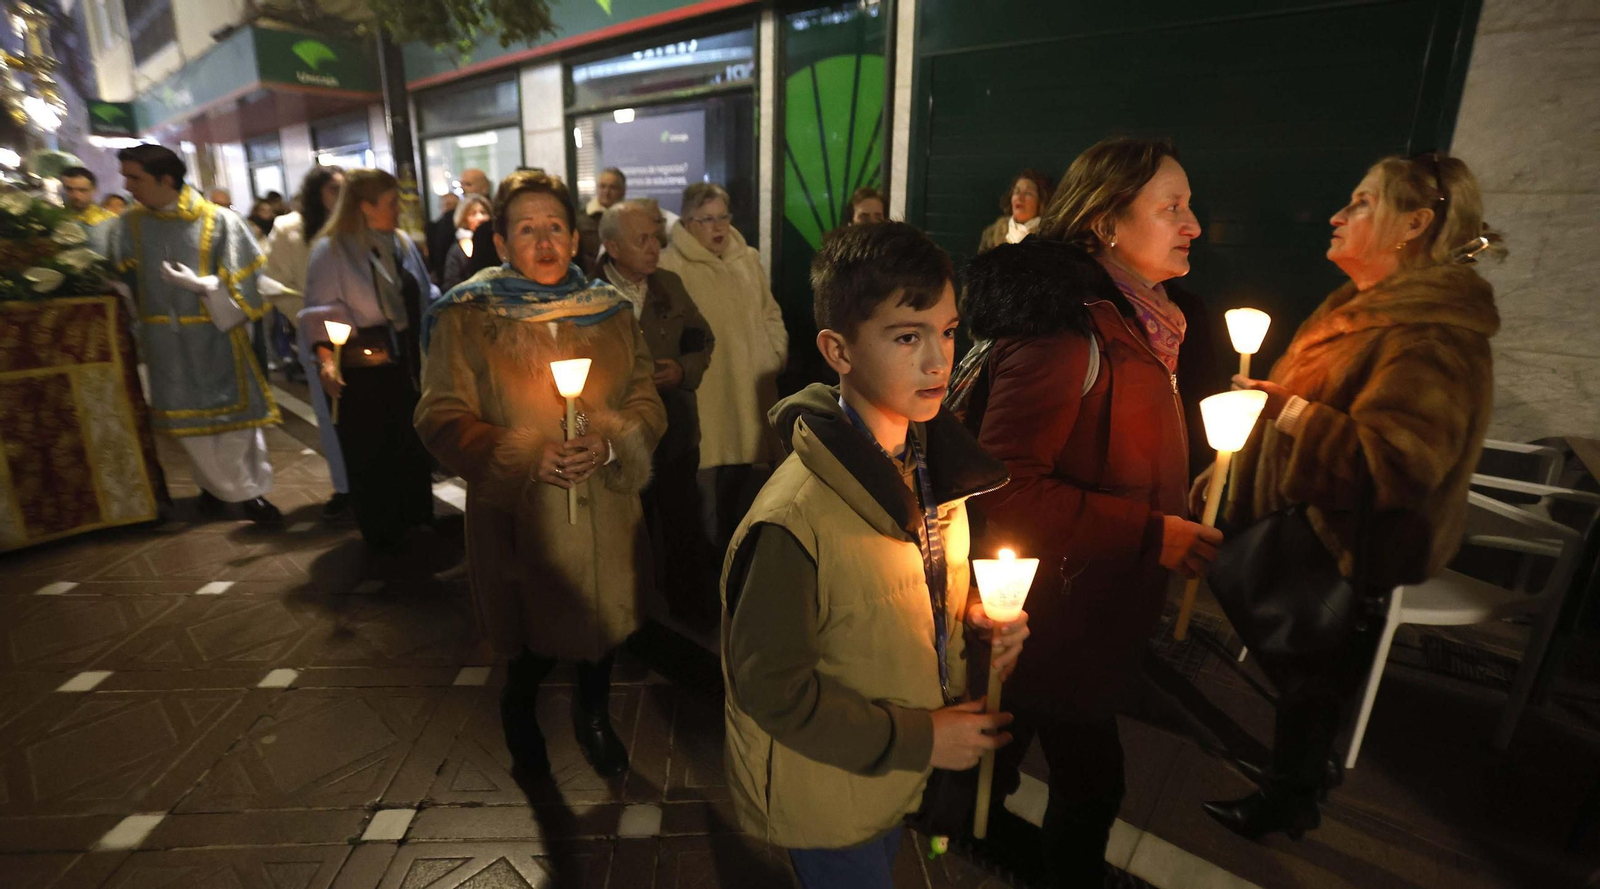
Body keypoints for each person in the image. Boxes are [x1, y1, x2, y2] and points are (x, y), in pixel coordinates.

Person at [1199, 152, 1502, 839]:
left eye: (1361, 202)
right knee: (1306, 672)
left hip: (1347, 542)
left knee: (1313, 674)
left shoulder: (1431, 335)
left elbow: (1399, 466)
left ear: (1413, 225)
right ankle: (1302, 775)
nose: (1337, 216)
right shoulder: (1361, 308)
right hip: (1302, 520)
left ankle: (1292, 800)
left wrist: (1293, 414)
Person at [722, 221, 1027, 886]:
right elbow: (771, 688)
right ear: (838, 350)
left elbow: (900, 600)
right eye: (907, 336)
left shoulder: (930, 467)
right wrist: (924, 739)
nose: (939, 361)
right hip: (830, 792)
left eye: (948, 331)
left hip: (893, 776)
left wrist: (977, 621)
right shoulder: (795, 518)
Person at [954, 136, 1211, 886]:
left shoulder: (1140, 319)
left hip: (1086, 610)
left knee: (1001, 751)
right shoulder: (1067, 329)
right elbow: (1006, 486)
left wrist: (1170, 493)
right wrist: (1152, 530)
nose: (1193, 224)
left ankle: (956, 835)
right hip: (1048, 614)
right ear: (1105, 223)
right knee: (1085, 780)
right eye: (1172, 207)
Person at [414, 170, 666, 778]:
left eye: (555, 226)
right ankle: (519, 712)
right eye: (526, 230)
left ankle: (595, 717)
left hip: (602, 507)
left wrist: (610, 446)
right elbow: (441, 415)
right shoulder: (468, 315)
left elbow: (645, 398)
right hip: (521, 515)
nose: (545, 241)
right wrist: (523, 454)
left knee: (602, 627)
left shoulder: (608, 311)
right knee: (527, 642)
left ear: (576, 238)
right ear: (500, 244)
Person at [112, 144, 282, 524]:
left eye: (134, 178)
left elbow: (249, 283)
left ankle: (250, 492)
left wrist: (205, 286)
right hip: (163, 343)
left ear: (166, 179)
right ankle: (213, 487)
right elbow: (121, 278)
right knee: (191, 428)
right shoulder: (130, 224)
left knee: (235, 424)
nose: (128, 186)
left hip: (216, 335)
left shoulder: (220, 221)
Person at [299, 169, 438, 549]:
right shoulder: (331, 249)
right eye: (392, 203)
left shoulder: (401, 242)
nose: (399, 210)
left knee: (409, 441)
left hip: (406, 358)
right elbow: (319, 313)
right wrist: (327, 360)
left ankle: (418, 519)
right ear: (365, 206)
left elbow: (424, 292)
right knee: (370, 448)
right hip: (362, 364)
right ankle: (383, 532)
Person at [599, 199, 717, 626]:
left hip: (675, 427)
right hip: (619, 432)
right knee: (630, 525)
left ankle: (690, 606)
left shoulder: (669, 284)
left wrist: (683, 370)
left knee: (683, 518)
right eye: (642, 240)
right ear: (612, 247)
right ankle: (632, 613)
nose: (653, 248)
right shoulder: (591, 292)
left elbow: (702, 338)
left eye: (656, 239)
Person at [658, 182, 788, 551]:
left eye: (723, 217)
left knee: (748, 494)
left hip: (751, 391)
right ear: (687, 221)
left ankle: (742, 565)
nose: (718, 227)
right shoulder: (670, 265)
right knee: (705, 501)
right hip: (707, 396)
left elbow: (770, 311)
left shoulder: (746, 257)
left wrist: (773, 354)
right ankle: (711, 579)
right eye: (707, 219)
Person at [264, 164, 351, 519]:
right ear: (317, 193)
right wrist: (308, 316)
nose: (340, 196)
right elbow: (275, 283)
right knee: (330, 412)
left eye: (346, 189)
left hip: (362, 330)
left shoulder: (355, 224)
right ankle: (344, 485)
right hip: (318, 330)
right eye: (333, 189)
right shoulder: (289, 229)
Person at [978, 169, 1053, 253]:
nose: (1019, 198)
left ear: (1041, 201)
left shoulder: (1049, 237)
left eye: (1028, 193)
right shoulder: (991, 235)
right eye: (1016, 192)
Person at [577, 167, 626, 274]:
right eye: (602, 186)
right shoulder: (581, 220)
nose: (606, 192)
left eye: (612, 188)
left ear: (622, 191)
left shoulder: (631, 220)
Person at [440, 194, 493, 293]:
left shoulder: (495, 244)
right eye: (473, 213)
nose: (480, 218)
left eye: (483, 212)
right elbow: (451, 282)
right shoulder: (457, 249)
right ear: (464, 218)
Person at [59, 165, 118, 255]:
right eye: (69, 189)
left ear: (94, 190)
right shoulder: (53, 219)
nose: (76, 196)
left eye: (82, 190)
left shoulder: (111, 222)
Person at [425, 192, 460, 283]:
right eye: (448, 204)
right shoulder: (462, 228)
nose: (451, 208)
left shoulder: (432, 228)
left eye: (454, 205)